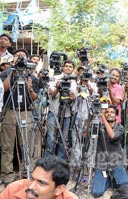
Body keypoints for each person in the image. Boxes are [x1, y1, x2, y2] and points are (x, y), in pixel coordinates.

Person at [1, 48, 40, 186]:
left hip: (26, 112)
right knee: (7, 145)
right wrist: (12, 71)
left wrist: (30, 88)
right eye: (18, 56)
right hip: (10, 111)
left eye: (23, 56)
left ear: (28, 60)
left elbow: (34, 98)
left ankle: (27, 174)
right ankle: (7, 175)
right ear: (13, 58)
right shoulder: (6, 73)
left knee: (26, 144)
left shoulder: (32, 77)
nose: (20, 58)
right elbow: (4, 89)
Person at [91, 104, 128, 197]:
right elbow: (85, 135)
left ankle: (112, 180)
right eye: (106, 112)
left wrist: (102, 117)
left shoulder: (119, 127)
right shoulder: (99, 127)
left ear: (116, 116)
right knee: (96, 192)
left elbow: (112, 136)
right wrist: (92, 117)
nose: (109, 114)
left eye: (112, 112)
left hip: (116, 163)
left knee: (124, 187)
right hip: (102, 165)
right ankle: (108, 181)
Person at [0, 156, 79, 199]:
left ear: (59, 189)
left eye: (41, 183)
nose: (31, 186)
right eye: (32, 179)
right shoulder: (13, 190)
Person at [44, 60, 77, 159]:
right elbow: (50, 96)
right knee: (51, 137)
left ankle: (60, 161)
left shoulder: (75, 81)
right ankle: (48, 160)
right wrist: (58, 88)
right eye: (66, 66)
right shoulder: (55, 78)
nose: (68, 68)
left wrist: (72, 98)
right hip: (54, 110)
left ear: (72, 69)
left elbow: (74, 98)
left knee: (64, 138)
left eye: (70, 66)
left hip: (67, 113)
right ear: (63, 67)